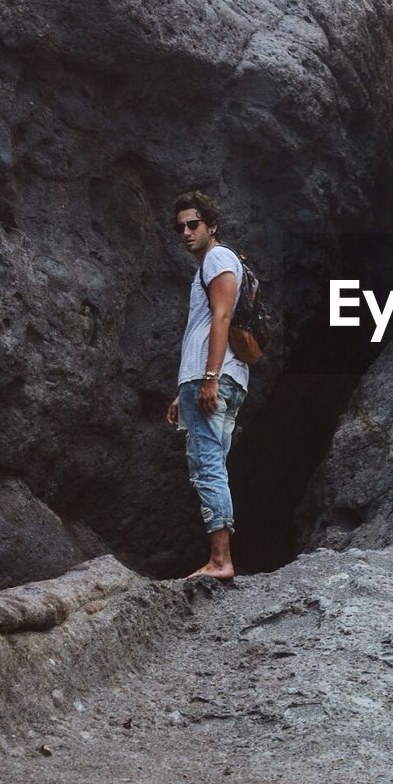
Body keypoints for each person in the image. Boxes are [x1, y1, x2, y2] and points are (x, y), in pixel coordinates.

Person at [164, 190, 249, 582]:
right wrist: (181, 391)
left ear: (211, 225)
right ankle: (220, 557)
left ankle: (220, 562)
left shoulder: (218, 258)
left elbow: (222, 316)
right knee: (212, 462)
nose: (185, 231)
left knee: (207, 465)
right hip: (205, 377)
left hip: (213, 376)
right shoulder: (209, 263)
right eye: (179, 226)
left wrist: (209, 378)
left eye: (193, 224)